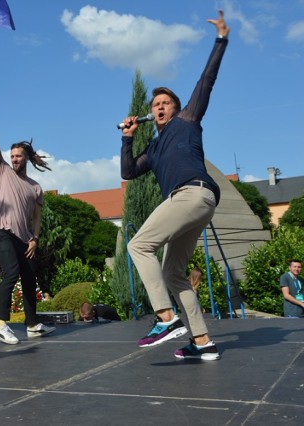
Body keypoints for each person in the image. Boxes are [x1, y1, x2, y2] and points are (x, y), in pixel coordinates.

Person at [119, 11, 230, 361]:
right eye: (156, 104)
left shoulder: (188, 121)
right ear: (151, 114)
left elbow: (206, 81)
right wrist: (127, 139)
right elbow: (127, 172)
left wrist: (220, 41)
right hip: (196, 205)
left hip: (192, 192)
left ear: (177, 108)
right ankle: (202, 342)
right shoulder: (152, 148)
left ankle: (166, 318)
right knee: (173, 273)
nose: (160, 107)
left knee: (138, 245)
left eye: (166, 103)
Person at [0, 97, 55, 344]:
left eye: (18, 156)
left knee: (30, 279)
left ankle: (32, 324)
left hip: (25, 239)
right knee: (11, 273)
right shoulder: (1, 171)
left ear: (26, 158)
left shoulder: (35, 187)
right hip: (3, 232)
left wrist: (35, 238)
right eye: (12, 156)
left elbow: (37, 217)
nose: (14, 159)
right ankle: (0, 323)